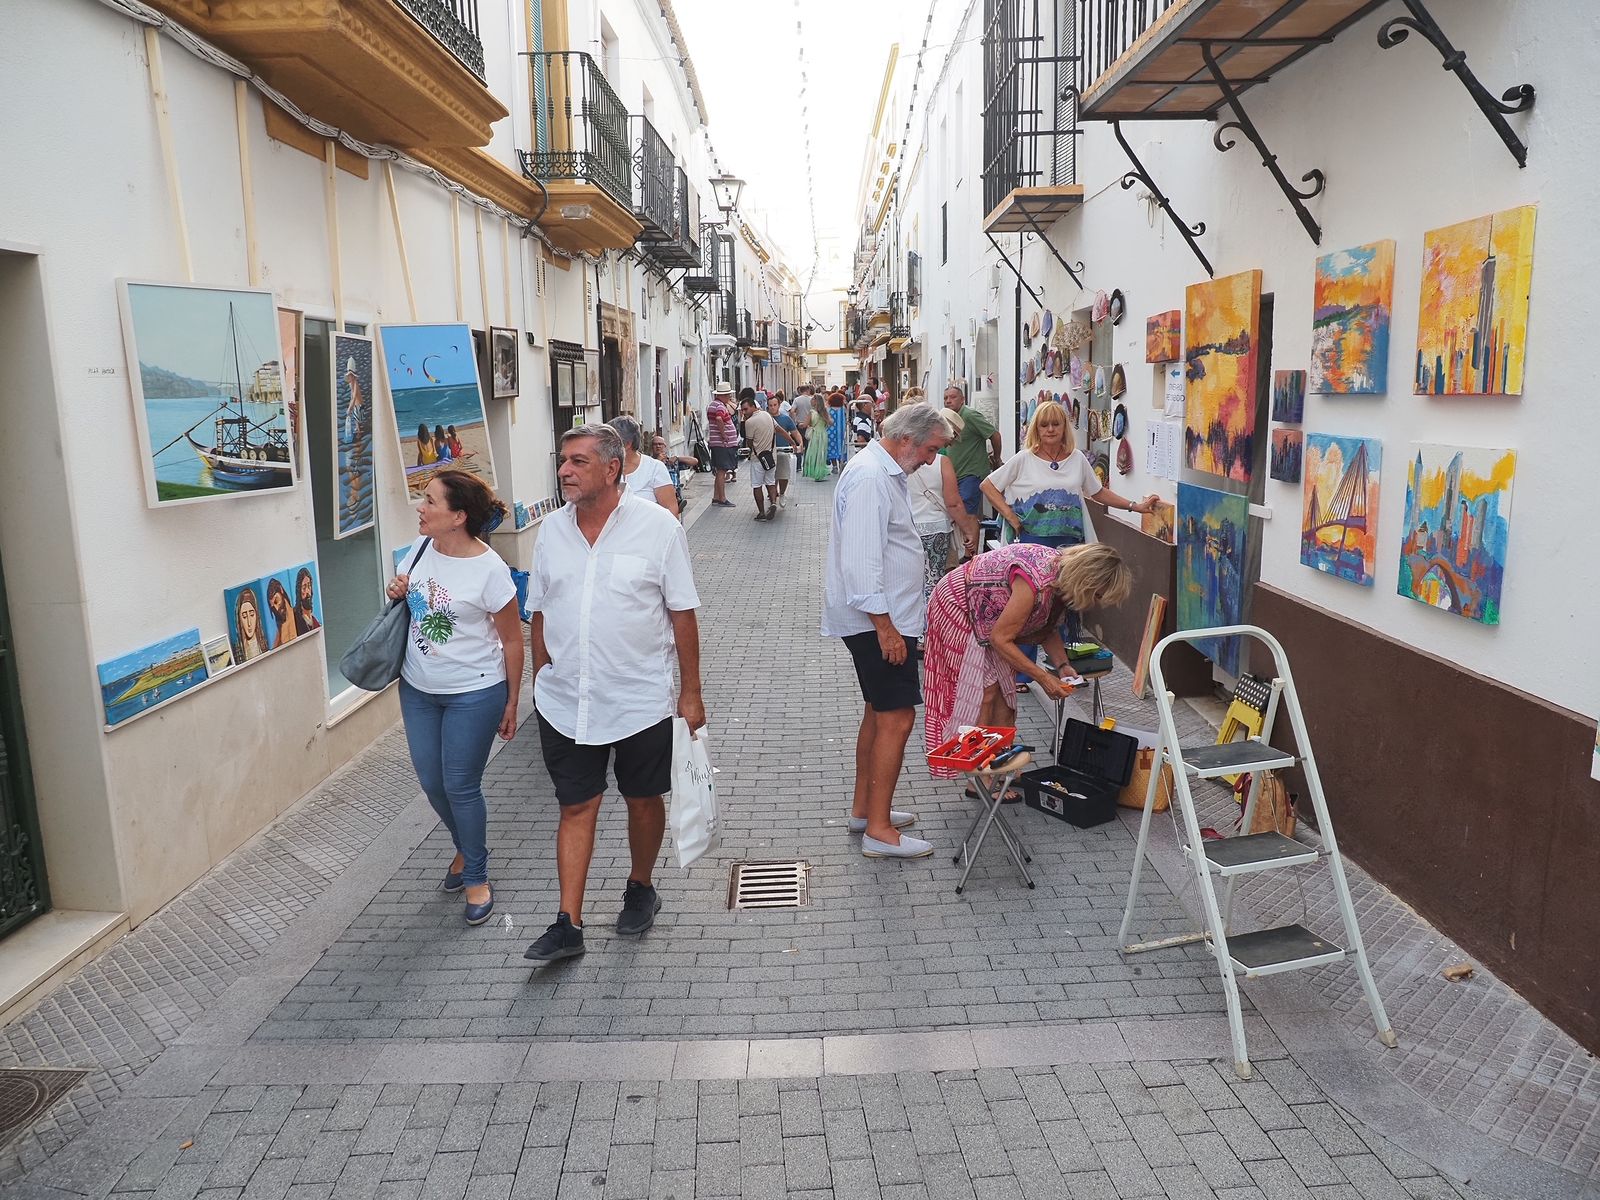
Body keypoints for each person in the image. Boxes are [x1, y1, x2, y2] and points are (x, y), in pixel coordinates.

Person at [522, 424, 705, 967]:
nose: (564, 471)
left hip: (639, 697)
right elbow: (539, 608)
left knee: (642, 800)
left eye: (577, 461)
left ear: (612, 468)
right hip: (565, 701)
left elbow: (682, 613)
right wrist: (541, 673)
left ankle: (640, 885)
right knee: (576, 804)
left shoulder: (658, 529)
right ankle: (568, 922)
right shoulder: (551, 531)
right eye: (562, 461)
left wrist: (690, 695)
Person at [386, 470, 524, 926]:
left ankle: (477, 876)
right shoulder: (419, 548)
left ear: (458, 516)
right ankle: (466, 849)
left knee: (461, 785)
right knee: (432, 782)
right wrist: (398, 591)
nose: (420, 509)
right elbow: (411, 605)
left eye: (429, 502)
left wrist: (511, 701)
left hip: (474, 691)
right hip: (419, 688)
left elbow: (511, 641)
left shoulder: (490, 570)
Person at [822, 403, 953, 859]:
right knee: (897, 716)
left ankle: (867, 810)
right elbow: (861, 561)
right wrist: (886, 628)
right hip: (880, 619)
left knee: (880, 712)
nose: (932, 460)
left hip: (885, 617)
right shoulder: (872, 477)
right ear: (907, 440)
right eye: (931, 450)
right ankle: (879, 829)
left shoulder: (881, 472)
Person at [922, 543, 1133, 791]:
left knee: (1005, 692)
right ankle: (978, 775)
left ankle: (1001, 764)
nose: (1096, 604)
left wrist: (1063, 665)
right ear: (1086, 580)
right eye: (1098, 595)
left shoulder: (1059, 580)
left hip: (987, 617)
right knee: (985, 693)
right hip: (958, 605)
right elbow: (1000, 639)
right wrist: (1044, 678)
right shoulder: (1037, 581)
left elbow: (1046, 626)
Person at [981, 399, 1158, 685]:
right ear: (1036, 428)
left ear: (1065, 427)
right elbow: (988, 485)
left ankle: (1061, 667)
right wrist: (1010, 516)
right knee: (1026, 608)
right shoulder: (1024, 459)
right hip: (1031, 545)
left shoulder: (1077, 459)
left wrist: (1134, 506)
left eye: (1056, 423)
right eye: (1044, 424)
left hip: (1070, 547)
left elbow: (1097, 492)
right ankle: (1020, 674)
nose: (1050, 429)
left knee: (1061, 609)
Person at [908, 406, 980, 600]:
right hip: (936, 528)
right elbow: (953, 502)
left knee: (911, 581)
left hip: (909, 527)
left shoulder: (905, 457)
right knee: (934, 580)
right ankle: (931, 623)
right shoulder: (941, 462)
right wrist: (968, 530)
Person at [942, 382, 1002, 516]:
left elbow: (995, 435)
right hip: (955, 473)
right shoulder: (947, 417)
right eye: (945, 398)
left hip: (971, 473)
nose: (948, 401)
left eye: (952, 397)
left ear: (962, 399)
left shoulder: (970, 415)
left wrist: (997, 459)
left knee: (966, 513)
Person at [740, 394, 795, 521]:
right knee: (770, 482)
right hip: (771, 457)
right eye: (742, 410)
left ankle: (761, 513)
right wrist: (792, 441)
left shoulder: (749, 422)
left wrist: (743, 421)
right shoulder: (767, 416)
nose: (744, 412)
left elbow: (749, 442)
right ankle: (773, 504)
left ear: (753, 407)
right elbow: (780, 430)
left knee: (757, 485)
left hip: (757, 459)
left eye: (746, 409)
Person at [610, 415, 677, 516]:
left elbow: (671, 510)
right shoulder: (605, 468)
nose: (606, 446)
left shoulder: (654, 468)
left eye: (610, 442)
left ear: (627, 444)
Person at [706, 381, 740, 507]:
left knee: (720, 470)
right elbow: (719, 419)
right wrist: (724, 435)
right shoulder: (720, 406)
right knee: (722, 471)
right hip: (722, 444)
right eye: (727, 395)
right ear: (722, 395)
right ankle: (722, 498)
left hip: (717, 443)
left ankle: (716, 497)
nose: (729, 397)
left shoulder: (712, 405)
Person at [768, 393, 801, 508]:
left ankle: (782, 493)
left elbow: (795, 432)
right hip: (769, 451)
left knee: (783, 475)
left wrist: (800, 443)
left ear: (779, 405)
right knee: (771, 476)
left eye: (774, 405)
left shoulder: (786, 419)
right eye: (770, 405)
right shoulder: (765, 418)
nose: (772, 407)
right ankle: (772, 497)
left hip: (783, 451)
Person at [232, 586, 269, 662]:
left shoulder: (266, 644)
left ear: (257, 615)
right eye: (244, 616)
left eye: (252, 614)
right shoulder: (237, 652)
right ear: (239, 620)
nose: (249, 623)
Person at [803, 396, 832, 482]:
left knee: (813, 453)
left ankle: (814, 472)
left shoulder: (811, 412)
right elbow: (830, 422)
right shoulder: (825, 412)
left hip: (815, 434)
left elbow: (805, 424)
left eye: (812, 399)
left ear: (815, 401)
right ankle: (820, 473)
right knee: (821, 454)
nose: (811, 401)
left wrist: (800, 424)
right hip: (823, 434)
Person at [265, 578, 297, 649]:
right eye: (273, 607)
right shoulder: (279, 632)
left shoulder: (298, 614)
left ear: (281, 590)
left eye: (276, 601)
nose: (276, 609)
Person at [825, 389, 849, 472]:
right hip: (841, 431)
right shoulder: (843, 409)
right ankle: (841, 464)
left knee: (831, 448)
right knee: (841, 447)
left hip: (830, 431)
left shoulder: (828, 409)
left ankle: (834, 466)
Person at [293, 567, 321, 634]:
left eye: (309, 586)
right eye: (304, 587)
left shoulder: (315, 621)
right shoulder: (295, 617)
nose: (308, 591)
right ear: (299, 591)